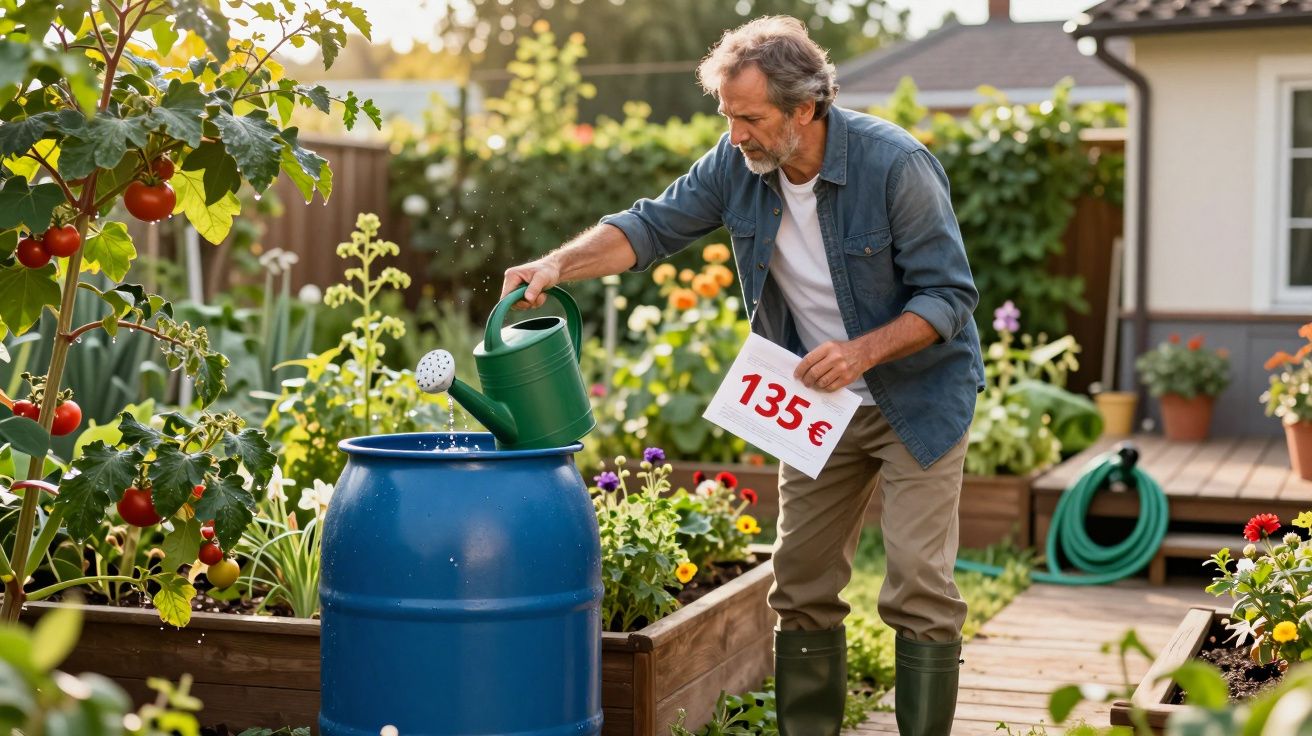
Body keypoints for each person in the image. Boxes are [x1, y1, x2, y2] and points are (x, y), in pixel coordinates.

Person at [500, 15, 983, 736]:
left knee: (919, 585)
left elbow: (950, 296)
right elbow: (648, 227)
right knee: (801, 583)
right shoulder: (738, 165)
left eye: (750, 118)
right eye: (728, 117)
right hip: (816, 403)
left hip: (914, 395)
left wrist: (860, 352)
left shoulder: (896, 165)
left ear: (806, 107)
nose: (736, 135)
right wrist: (556, 265)